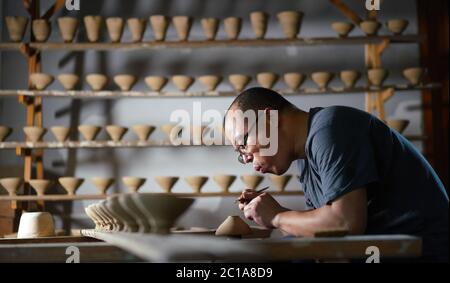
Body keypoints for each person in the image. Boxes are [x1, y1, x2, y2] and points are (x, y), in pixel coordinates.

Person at [223, 87, 449, 262]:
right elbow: (327, 238)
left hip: (420, 251)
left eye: (243, 145)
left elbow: (345, 223)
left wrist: (276, 216)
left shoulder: (331, 128)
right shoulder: (306, 159)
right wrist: (272, 215)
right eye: (239, 154)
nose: (247, 158)